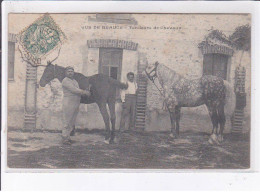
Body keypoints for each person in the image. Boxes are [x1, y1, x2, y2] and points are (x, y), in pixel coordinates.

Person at [61, 66, 90, 145]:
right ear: (65, 73)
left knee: (72, 121)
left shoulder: (74, 81)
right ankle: (64, 138)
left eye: (72, 71)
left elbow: (77, 89)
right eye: (69, 71)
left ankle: (68, 137)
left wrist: (85, 90)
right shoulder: (65, 81)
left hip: (75, 102)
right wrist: (84, 92)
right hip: (68, 102)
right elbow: (74, 90)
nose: (70, 73)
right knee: (67, 121)